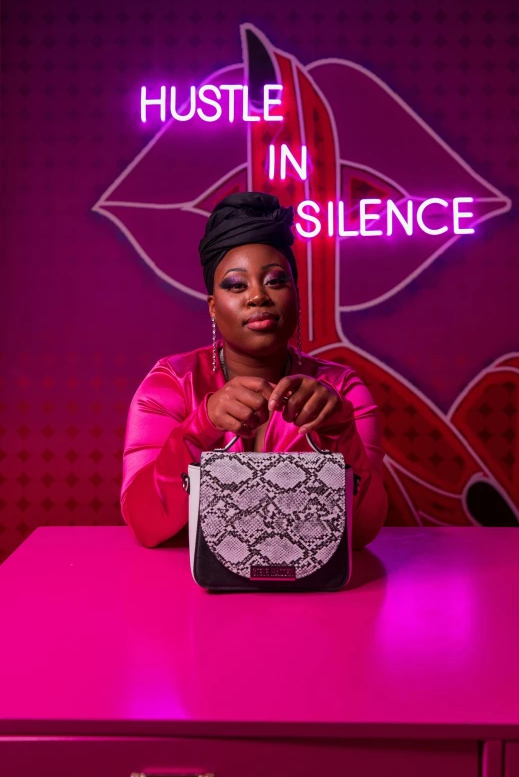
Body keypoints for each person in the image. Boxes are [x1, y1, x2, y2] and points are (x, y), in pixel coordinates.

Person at [121, 192, 388, 550]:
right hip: (191, 592)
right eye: (236, 285)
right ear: (213, 308)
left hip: (311, 594)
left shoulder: (343, 390)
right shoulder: (170, 384)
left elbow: (364, 531)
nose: (257, 297)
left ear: (296, 294)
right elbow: (143, 523)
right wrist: (198, 428)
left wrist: (340, 432)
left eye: (276, 281)